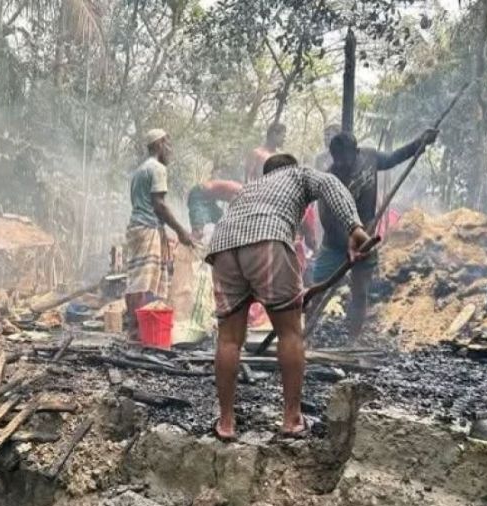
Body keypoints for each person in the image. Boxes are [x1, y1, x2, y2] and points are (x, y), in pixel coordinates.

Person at [206, 154, 370, 440]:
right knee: (290, 333)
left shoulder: (250, 188)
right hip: (268, 239)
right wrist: (354, 227)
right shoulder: (298, 174)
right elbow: (330, 183)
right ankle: (292, 419)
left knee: (229, 339)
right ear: (291, 167)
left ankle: (226, 423)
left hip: (222, 246)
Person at [314, 128, 438, 341]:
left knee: (360, 292)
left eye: (346, 158)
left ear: (357, 151)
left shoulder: (370, 158)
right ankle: (307, 338)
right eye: (338, 159)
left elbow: (393, 159)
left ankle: (352, 342)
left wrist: (420, 143)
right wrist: (348, 243)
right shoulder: (329, 178)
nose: (342, 164)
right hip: (335, 243)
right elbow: (327, 220)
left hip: (366, 239)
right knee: (317, 291)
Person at [124, 129, 193, 340]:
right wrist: (181, 231)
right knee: (142, 280)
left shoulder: (139, 171)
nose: (170, 150)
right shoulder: (158, 169)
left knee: (136, 277)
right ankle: (136, 331)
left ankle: (136, 327)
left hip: (136, 227)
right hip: (147, 228)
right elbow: (159, 205)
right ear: (160, 144)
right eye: (168, 144)